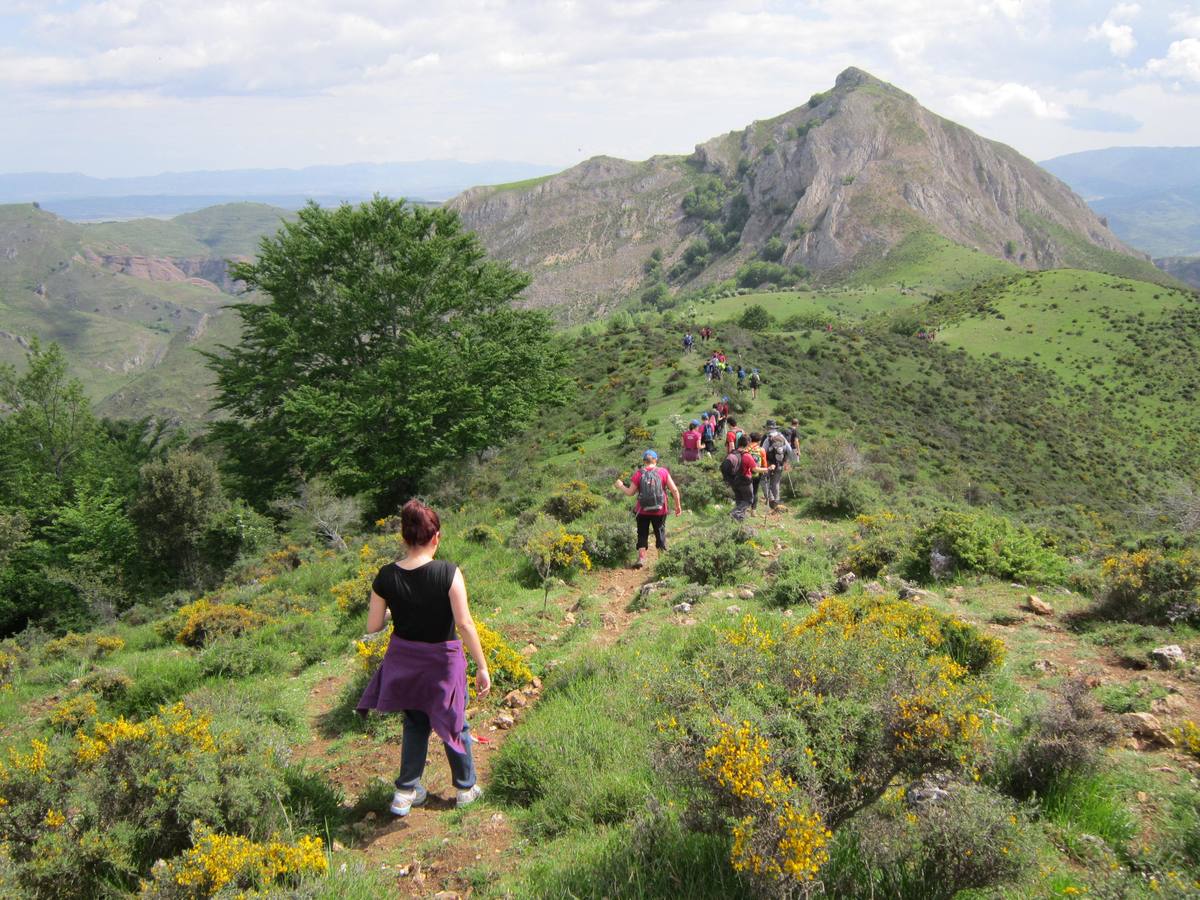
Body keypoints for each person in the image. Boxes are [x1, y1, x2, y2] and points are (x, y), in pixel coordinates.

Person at [357, 499, 490, 817]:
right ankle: (466, 788)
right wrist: (482, 666)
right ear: (436, 537)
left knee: (415, 723)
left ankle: (405, 792)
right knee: (454, 721)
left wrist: (395, 608)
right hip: (443, 663)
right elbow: (464, 624)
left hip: (405, 662)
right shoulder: (448, 572)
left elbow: (373, 625)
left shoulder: (385, 576)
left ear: (404, 537)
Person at [614, 450, 682, 568]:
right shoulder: (663, 472)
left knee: (642, 533)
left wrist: (621, 486)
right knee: (659, 531)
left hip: (642, 510)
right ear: (655, 460)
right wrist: (678, 506)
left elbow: (630, 493)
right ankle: (662, 559)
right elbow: (675, 490)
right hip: (660, 510)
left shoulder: (639, 474)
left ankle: (641, 558)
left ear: (644, 461)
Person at [722, 434, 772, 521]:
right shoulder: (747, 456)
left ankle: (739, 518)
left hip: (734, 480)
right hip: (745, 481)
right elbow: (755, 469)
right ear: (748, 443)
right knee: (748, 500)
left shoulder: (732, 453)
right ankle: (734, 513)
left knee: (739, 499)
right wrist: (767, 469)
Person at [761, 420, 797, 512]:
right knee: (776, 483)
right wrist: (786, 461)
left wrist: (763, 464)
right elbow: (789, 450)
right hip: (780, 463)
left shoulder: (767, 438)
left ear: (768, 428)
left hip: (769, 464)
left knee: (764, 480)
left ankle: (771, 499)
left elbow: (763, 451)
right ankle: (776, 503)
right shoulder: (782, 437)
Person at [747, 432, 768, 514]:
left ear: (750, 439)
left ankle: (745, 508)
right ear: (759, 441)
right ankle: (753, 510)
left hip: (746, 474)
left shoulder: (746, 449)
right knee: (755, 491)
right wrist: (763, 471)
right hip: (757, 473)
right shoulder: (761, 450)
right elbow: (764, 463)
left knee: (746, 491)